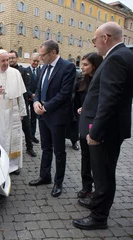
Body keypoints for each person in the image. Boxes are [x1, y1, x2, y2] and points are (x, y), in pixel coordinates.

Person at [73, 22, 133, 230]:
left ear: (105, 38)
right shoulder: (125, 55)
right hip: (112, 128)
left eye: (94, 40)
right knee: (104, 173)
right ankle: (98, 203)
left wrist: (95, 132)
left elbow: (109, 100)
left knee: (103, 174)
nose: (95, 44)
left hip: (105, 131)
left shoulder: (116, 58)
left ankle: (99, 217)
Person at [29, 40, 76, 198]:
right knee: (45, 148)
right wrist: (36, 102)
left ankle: (58, 182)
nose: (40, 58)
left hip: (57, 117)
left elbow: (64, 94)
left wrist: (46, 107)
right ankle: (45, 176)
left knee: (59, 151)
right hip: (42, 116)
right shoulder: (43, 67)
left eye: (43, 55)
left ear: (53, 52)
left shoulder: (67, 67)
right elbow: (38, 88)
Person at [73, 52, 103, 199]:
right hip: (84, 125)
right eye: (82, 64)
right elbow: (77, 102)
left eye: (86, 64)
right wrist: (80, 108)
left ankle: (99, 190)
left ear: (94, 66)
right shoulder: (81, 82)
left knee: (96, 158)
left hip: (97, 125)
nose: (82, 67)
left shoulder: (103, 82)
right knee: (85, 156)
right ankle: (86, 186)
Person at [9, 50, 37, 159]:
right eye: (9, 58)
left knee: (26, 127)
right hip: (10, 105)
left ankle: (29, 147)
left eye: (13, 57)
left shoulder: (23, 71)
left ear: (17, 58)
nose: (11, 60)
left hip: (22, 103)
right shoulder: (6, 71)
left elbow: (26, 87)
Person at [65, 57, 82, 151]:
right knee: (64, 124)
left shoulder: (79, 75)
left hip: (75, 103)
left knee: (74, 125)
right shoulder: (64, 74)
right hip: (65, 103)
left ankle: (74, 141)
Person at [25, 53, 41, 144]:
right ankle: (28, 136)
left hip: (36, 99)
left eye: (37, 61)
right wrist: (31, 94)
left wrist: (36, 96)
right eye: (34, 60)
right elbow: (24, 85)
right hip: (27, 98)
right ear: (30, 60)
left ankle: (33, 135)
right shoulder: (25, 70)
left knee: (34, 119)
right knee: (27, 118)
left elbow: (40, 85)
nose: (35, 62)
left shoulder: (40, 71)